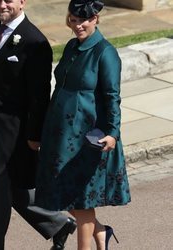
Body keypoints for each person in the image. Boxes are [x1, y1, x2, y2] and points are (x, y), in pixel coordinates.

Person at [0, 0, 77, 249]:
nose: (2, 5)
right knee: (10, 188)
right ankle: (58, 224)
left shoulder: (35, 42)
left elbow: (39, 95)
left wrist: (34, 135)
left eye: (9, 0)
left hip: (15, 133)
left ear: (22, 2)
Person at [35, 0, 131, 249]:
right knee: (65, 195)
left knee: (82, 202)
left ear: (96, 19)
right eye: (74, 20)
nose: (79, 25)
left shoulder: (105, 53)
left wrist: (113, 133)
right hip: (62, 135)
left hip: (88, 139)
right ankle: (101, 233)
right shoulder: (71, 46)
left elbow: (113, 97)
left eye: (84, 20)